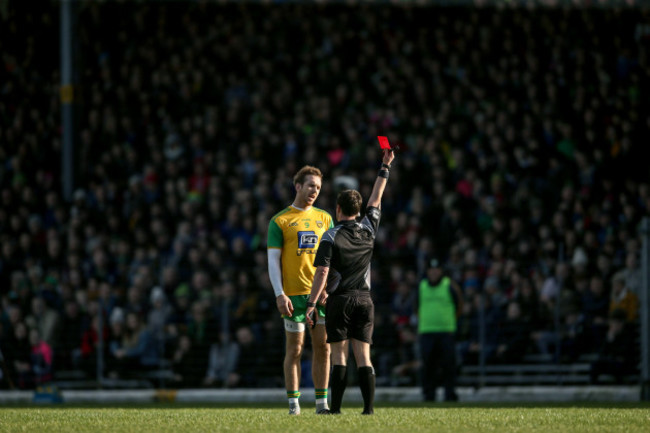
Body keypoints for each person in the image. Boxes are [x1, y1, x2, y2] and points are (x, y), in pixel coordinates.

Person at [306, 148, 395, 415]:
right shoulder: (369, 229)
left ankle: (336, 409)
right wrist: (385, 166)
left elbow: (323, 273)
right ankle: (368, 410)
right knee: (364, 357)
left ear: (337, 209)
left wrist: (312, 303)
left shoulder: (330, 236)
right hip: (365, 300)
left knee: (339, 357)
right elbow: (377, 196)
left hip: (340, 300)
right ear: (359, 210)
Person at [267, 165, 334, 415]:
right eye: (310, 186)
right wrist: (279, 293)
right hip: (293, 297)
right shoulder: (280, 220)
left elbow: (331, 258)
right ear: (297, 186)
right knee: (294, 350)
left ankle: (321, 404)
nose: (314, 191)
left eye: (318, 187)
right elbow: (273, 261)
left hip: (320, 295)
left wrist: (329, 287)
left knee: (323, 348)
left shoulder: (325, 218)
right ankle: (294, 405)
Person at [417, 258, 463, 402]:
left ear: (441, 271)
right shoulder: (422, 286)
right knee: (428, 365)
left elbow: (459, 305)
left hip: (446, 332)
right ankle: (429, 394)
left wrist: (450, 321)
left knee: (449, 365)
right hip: (427, 332)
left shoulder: (449, 285)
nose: (434, 272)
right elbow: (416, 306)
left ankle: (449, 394)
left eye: (437, 269)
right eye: (431, 269)